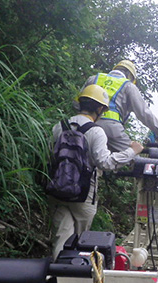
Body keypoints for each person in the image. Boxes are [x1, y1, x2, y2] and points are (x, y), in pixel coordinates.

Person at [49, 84, 144, 260]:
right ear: (100, 108)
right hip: (83, 196)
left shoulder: (59, 126)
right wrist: (132, 152)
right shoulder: (95, 131)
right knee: (78, 243)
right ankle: (72, 279)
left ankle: (55, 279)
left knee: (61, 239)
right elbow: (105, 162)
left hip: (57, 190)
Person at [83, 60, 158, 151]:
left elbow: (76, 103)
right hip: (111, 127)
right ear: (129, 75)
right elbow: (143, 113)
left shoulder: (94, 78)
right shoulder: (128, 85)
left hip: (85, 122)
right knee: (132, 154)